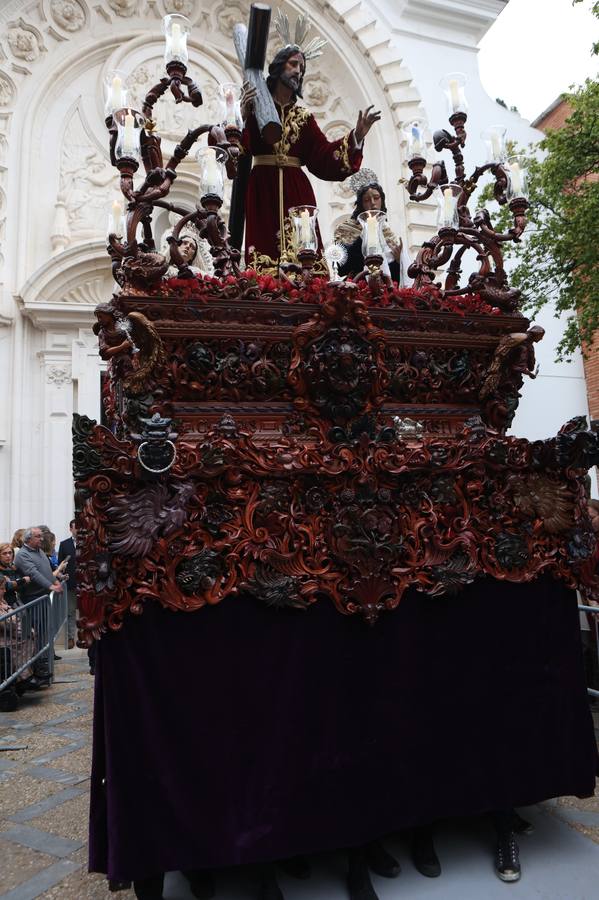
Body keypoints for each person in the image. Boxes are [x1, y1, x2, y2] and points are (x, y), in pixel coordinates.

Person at [239, 22, 380, 264]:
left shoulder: (303, 118)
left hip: (297, 191)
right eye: (293, 64)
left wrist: (357, 136)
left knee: (303, 257)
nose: (298, 71)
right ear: (278, 67)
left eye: (302, 68)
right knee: (264, 258)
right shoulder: (255, 108)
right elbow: (237, 152)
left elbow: (324, 157)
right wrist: (241, 117)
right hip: (262, 188)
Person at [334, 169, 406, 283]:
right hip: (358, 285)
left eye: (376, 198)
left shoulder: (388, 234)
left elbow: (395, 277)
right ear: (361, 204)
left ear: (382, 200)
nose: (373, 203)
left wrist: (398, 261)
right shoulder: (346, 229)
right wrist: (364, 236)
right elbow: (341, 267)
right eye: (367, 200)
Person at [58, 520, 77, 649]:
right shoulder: (64, 544)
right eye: (76, 527)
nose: (79, 530)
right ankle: (70, 637)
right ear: (70, 529)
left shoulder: (87, 542)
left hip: (86, 585)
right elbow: (61, 564)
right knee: (70, 611)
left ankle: (86, 635)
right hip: (70, 584)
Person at [0, 542, 31, 607]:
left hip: (14, 601)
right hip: (4, 604)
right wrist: (22, 581)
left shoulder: (13, 568)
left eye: (10, 553)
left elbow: (20, 586)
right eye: (4, 553)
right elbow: (6, 586)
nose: (8, 556)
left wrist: (16, 583)